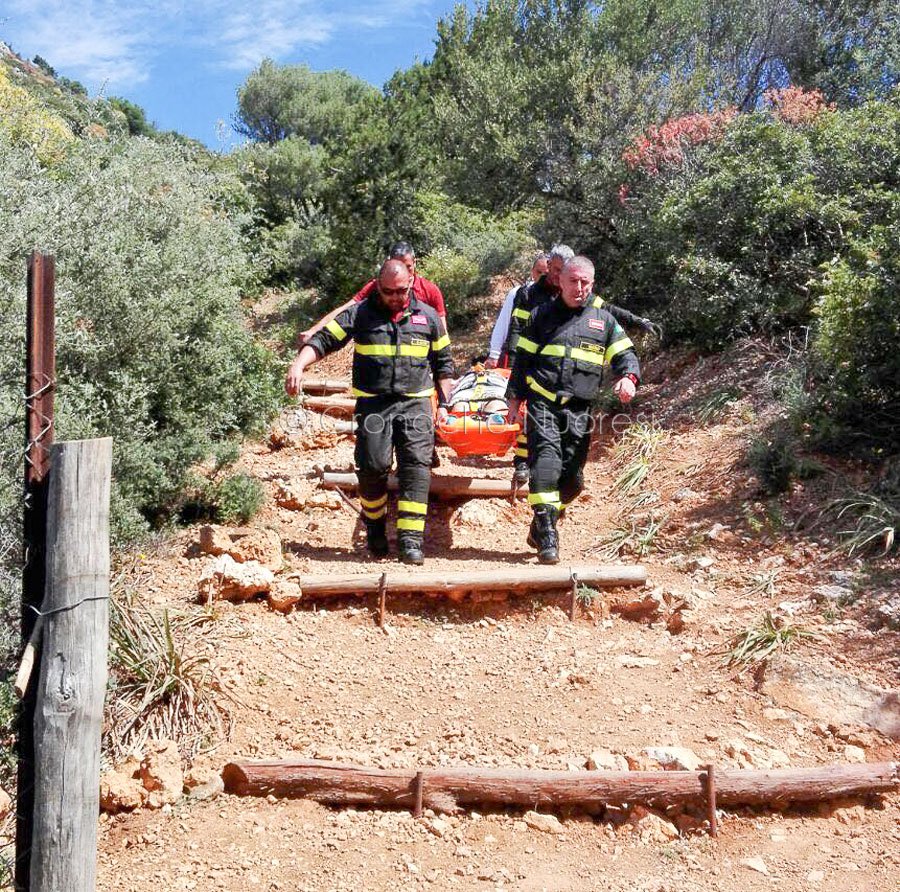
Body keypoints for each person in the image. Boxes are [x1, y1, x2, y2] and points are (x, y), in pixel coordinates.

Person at [286, 259, 455, 565]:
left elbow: (444, 364)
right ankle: (375, 527)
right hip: (374, 405)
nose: (393, 296)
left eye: (400, 291)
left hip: (415, 404)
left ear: (411, 283)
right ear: (377, 285)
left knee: (416, 468)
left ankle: (410, 541)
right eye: (387, 290)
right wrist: (298, 364)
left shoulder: (428, 317)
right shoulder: (361, 313)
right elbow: (325, 339)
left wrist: (445, 404)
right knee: (373, 467)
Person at [507, 256, 641, 564]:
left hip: (580, 411)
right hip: (544, 404)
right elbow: (522, 363)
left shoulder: (603, 321)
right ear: (560, 281)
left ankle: (540, 525)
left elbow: (626, 354)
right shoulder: (541, 316)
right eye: (573, 281)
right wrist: (514, 399)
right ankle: (548, 534)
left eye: (585, 283)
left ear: (592, 285)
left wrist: (628, 378)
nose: (578, 288)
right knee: (546, 467)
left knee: (573, 482)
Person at [298, 242, 447, 344]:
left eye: (408, 267)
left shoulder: (430, 290)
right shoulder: (376, 287)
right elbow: (345, 310)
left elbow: (442, 332)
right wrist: (314, 330)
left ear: (415, 262)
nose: (403, 272)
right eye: (397, 265)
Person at [485, 252, 549, 370]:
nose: (541, 277)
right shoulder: (517, 294)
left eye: (546, 274)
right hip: (514, 357)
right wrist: (494, 354)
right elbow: (503, 324)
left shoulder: (555, 298)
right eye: (538, 272)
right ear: (532, 271)